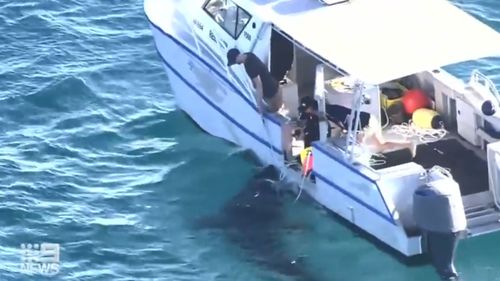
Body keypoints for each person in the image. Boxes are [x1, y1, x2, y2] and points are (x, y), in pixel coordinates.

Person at [227, 48, 283, 113]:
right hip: (274, 83)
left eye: (234, 61)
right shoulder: (249, 55)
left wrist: (259, 105)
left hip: (271, 92)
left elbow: (259, 86)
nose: (236, 63)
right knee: (276, 105)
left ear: (237, 56)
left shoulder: (250, 66)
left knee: (274, 110)